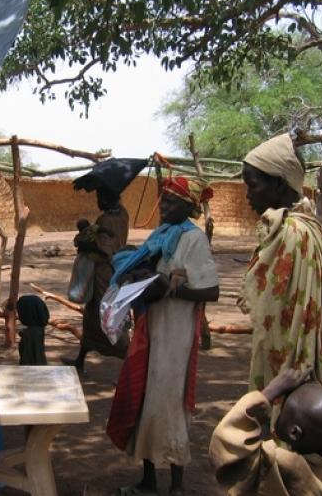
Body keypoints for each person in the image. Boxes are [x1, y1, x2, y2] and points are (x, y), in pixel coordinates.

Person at [107, 176, 219, 496]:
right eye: (164, 201)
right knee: (145, 399)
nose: (164, 207)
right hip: (151, 327)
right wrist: (138, 275)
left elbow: (212, 291)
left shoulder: (193, 239)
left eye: (171, 202)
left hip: (175, 336)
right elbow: (147, 266)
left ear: (188, 207)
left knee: (168, 402)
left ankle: (177, 486)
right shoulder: (162, 234)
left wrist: (169, 289)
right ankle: (148, 480)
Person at [239, 133, 322, 422]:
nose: (248, 194)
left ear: (278, 183)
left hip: (289, 366)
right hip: (319, 360)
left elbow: (263, 301)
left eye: (252, 184)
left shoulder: (287, 232)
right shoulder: (319, 227)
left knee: (285, 445)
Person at [209, 367, 322, 495]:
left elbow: (227, 441)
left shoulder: (281, 464)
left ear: (294, 433)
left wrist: (269, 392)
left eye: (283, 409)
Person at [62, 186, 130, 371]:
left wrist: (84, 239)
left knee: (108, 315)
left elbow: (102, 247)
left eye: (100, 196)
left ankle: (130, 362)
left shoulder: (106, 219)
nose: (98, 201)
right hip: (113, 269)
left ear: (108, 198)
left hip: (104, 272)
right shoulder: (123, 213)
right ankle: (80, 360)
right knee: (92, 317)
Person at [16, 295, 49, 366]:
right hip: (38, 331)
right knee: (38, 355)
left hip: (29, 371)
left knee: (29, 358)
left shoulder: (28, 333)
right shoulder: (38, 331)